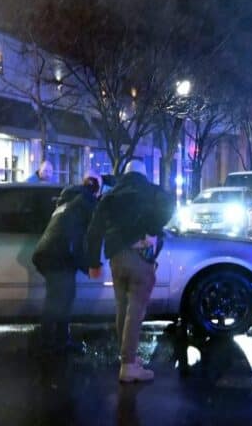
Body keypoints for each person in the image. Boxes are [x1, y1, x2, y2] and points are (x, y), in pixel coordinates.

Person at [86, 160, 175, 383]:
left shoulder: (110, 195)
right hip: (140, 257)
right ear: (144, 174)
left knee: (122, 308)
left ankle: (128, 357)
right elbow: (169, 205)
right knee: (136, 310)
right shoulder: (151, 191)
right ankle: (128, 365)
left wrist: (94, 263)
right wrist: (151, 231)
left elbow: (94, 230)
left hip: (116, 257)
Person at [32, 171, 103, 354]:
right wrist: (90, 265)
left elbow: (73, 236)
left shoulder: (67, 201)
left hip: (48, 253)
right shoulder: (87, 202)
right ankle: (46, 343)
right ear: (96, 190)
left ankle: (60, 340)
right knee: (56, 300)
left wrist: (82, 265)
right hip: (59, 256)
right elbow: (88, 238)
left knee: (64, 297)